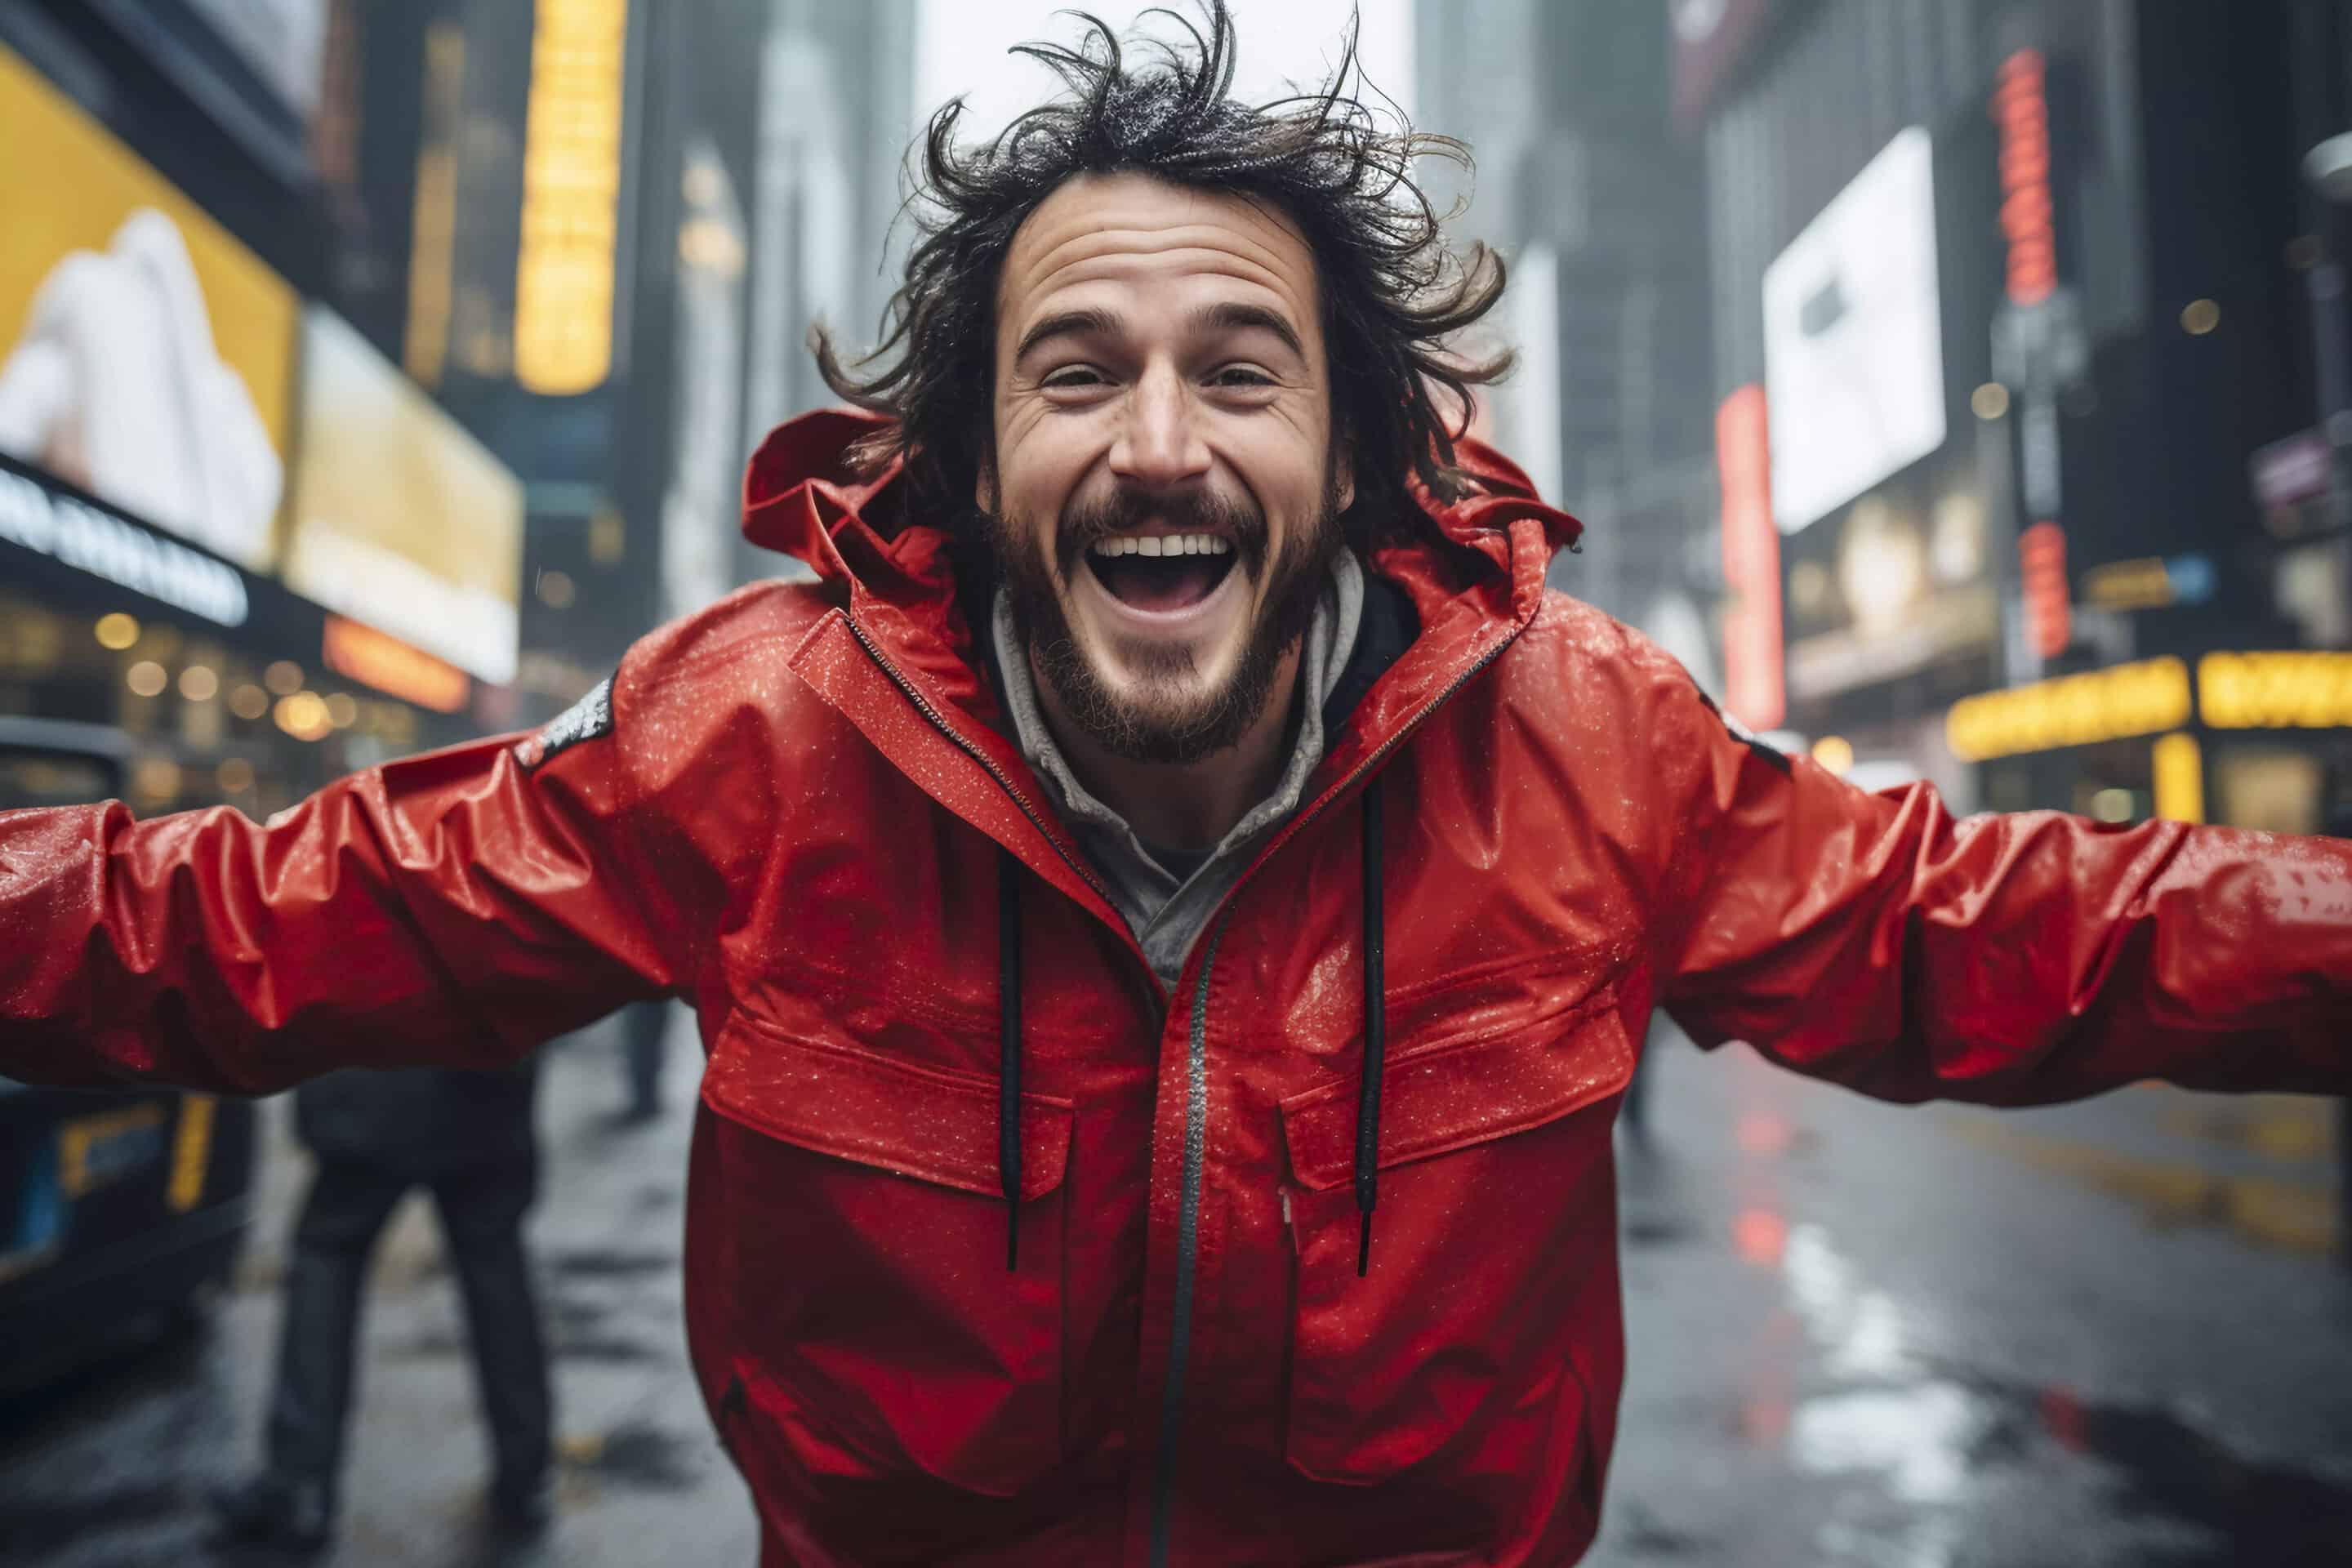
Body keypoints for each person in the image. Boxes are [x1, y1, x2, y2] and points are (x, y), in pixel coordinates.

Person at [2, 8, 2349, 1562]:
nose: (1155, 442)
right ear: (970, 460)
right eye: (1073, 372)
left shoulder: (1587, 737)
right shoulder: (750, 736)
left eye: (1241, 371)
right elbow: (228, 920)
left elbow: (2029, 925)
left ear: (1352, 456)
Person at [211, 1062, 552, 1552]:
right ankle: (526, 1472)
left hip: (372, 1088)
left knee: (327, 1255)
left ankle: (301, 1486)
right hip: (486, 1088)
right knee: (496, 1269)